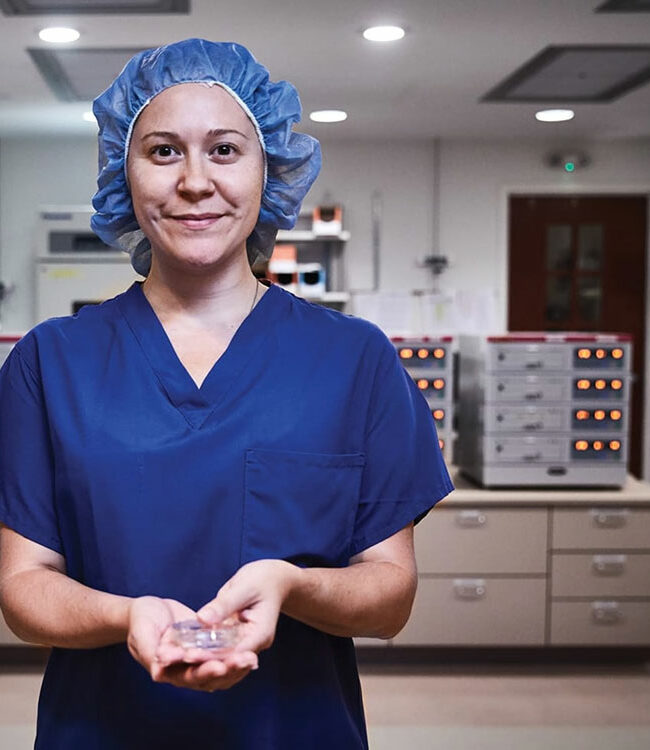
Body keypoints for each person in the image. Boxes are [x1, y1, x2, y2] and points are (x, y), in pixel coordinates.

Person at [0, 38, 453, 749]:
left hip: (296, 730)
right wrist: (129, 618)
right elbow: (24, 590)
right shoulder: (50, 363)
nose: (193, 181)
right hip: (101, 730)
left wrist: (292, 586)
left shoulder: (354, 360)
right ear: (125, 172)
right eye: (162, 151)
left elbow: (389, 595)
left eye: (224, 150)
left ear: (267, 168)